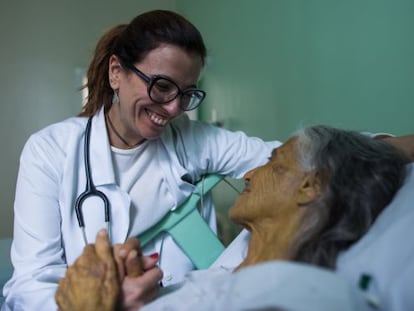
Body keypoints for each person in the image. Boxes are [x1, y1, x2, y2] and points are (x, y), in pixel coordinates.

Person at [1, 9, 279, 311]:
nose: (174, 109)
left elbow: (290, 164)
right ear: (116, 72)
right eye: (161, 86)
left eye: (187, 94)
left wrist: (235, 267)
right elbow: (29, 285)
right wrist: (106, 302)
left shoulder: (194, 138)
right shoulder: (50, 150)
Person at [54, 125, 408, 311]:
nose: (250, 173)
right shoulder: (223, 281)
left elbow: (364, 152)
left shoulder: (298, 295)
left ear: (310, 186)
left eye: (275, 162)